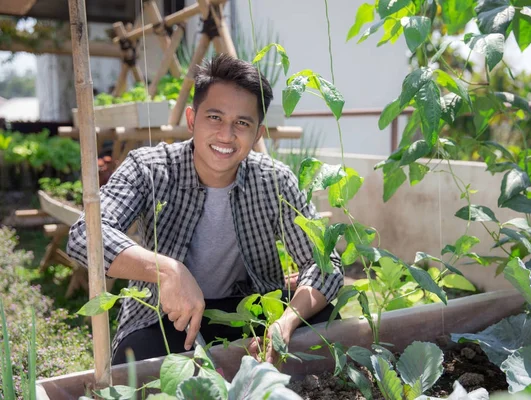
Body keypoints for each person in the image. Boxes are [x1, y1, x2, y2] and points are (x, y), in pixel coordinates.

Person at [67, 54, 343, 365]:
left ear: (257, 135)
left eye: (242, 123)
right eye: (214, 117)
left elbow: (325, 263)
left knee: (326, 323)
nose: (226, 135)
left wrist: (286, 322)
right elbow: (84, 236)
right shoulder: (150, 168)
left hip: (250, 310)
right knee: (135, 364)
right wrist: (168, 271)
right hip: (166, 312)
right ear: (191, 119)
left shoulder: (275, 180)